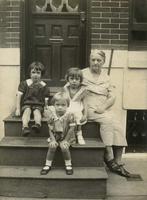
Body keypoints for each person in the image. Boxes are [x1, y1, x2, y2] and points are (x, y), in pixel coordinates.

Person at [82, 49, 130, 177]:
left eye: (99, 60)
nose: (96, 62)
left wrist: (104, 107)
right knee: (107, 121)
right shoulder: (82, 74)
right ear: (89, 60)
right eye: (93, 60)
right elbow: (72, 88)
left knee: (118, 125)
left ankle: (118, 161)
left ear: (103, 62)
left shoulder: (106, 77)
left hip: (103, 108)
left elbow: (112, 97)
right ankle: (109, 156)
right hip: (89, 107)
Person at [41, 92, 76, 175]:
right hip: (56, 136)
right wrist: (53, 140)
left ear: (68, 105)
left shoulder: (70, 115)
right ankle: (48, 164)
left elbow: (72, 129)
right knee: (52, 146)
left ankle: (68, 165)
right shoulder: (52, 116)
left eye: (63, 105)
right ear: (54, 105)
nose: (60, 107)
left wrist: (66, 140)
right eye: (57, 105)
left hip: (67, 136)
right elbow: (50, 129)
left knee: (64, 147)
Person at [15, 61, 50, 136]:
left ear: (41, 74)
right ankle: (25, 127)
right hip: (26, 104)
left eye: (38, 73)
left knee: (37, 111)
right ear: (30, 73)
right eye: (33, 72)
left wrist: (46, 108)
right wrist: (18, 108)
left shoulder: (43, 86)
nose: (35, 75)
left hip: (38, 105)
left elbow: (46, 99)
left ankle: (38, 125)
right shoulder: (24, 83)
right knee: (27, 111)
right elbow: (19, 96)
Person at [64, 67, 87, 145]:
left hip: (77, 107)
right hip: (68, 106)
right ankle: (61, 134)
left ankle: (79, 134)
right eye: (72, 79)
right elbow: (63, 100)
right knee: (65, 114)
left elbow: (85, 103)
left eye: (77, 79)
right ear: (68, 79)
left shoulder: (82, 90)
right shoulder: (66, 89)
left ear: (80, 81)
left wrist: (85, 114)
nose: (74, 81)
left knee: (77, 115)